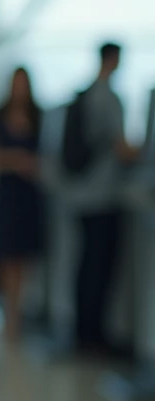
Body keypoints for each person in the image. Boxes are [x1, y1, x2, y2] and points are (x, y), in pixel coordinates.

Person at [66, 42, 139, 355]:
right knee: (100, 267)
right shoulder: (108, 99)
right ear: (114, 60)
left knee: (86, 265)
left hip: (81, 195)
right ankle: (94, 336)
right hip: (102, 196)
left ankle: (83, 332)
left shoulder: (85, 95)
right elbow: (121, 148)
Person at [0, 67, 45, 342]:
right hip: (6, 193)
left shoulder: (37, 115)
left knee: (23, 255)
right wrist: (15, 160)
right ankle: (8, 310)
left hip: (28, 194)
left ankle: (18, 311)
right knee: (5, 253)